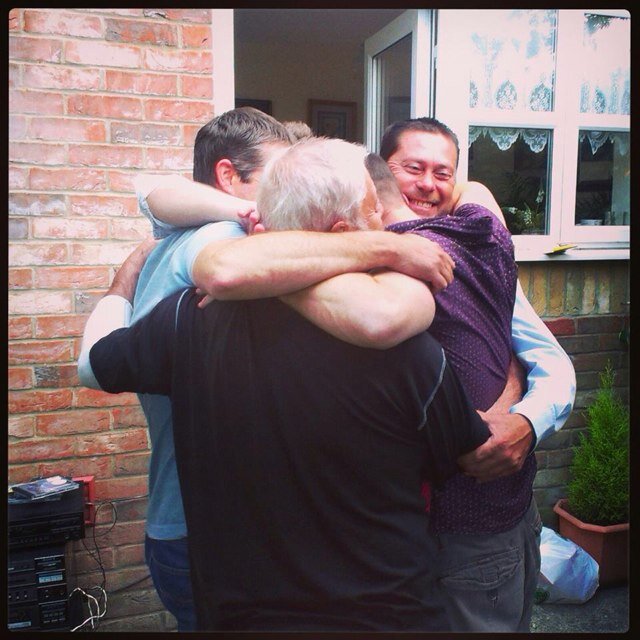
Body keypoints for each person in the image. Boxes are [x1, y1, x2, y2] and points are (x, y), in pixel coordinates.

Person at [78, 138, 492, 631]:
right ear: (344, 232)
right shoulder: (411, 349)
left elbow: (93, 366)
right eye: (374, 216)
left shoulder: (189, 318)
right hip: (386, 618)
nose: (384, 227)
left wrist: (122, 283)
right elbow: (466, 456)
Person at [377, 117, 576, 631]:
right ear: (381, 175)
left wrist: (526, 420)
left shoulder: (478, 256)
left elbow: (551, 363)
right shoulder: (366, 263)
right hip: (422, 524)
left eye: (442, 173)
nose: (428, 184)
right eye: (412, 168)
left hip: (503, 506)